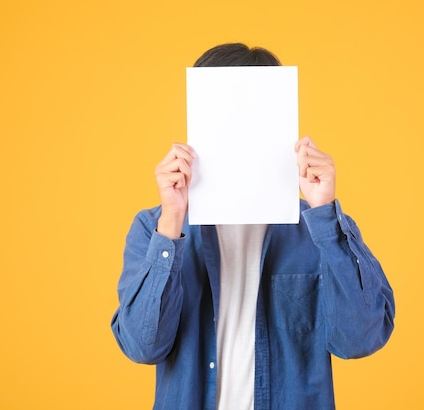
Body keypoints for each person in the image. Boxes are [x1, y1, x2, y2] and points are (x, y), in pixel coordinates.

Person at [111, 43, 395, 410]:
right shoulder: (155, 228)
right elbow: (141, 346)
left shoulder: (319, 230)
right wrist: (172, 221)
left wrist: (323, 211)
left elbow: (360, 338)